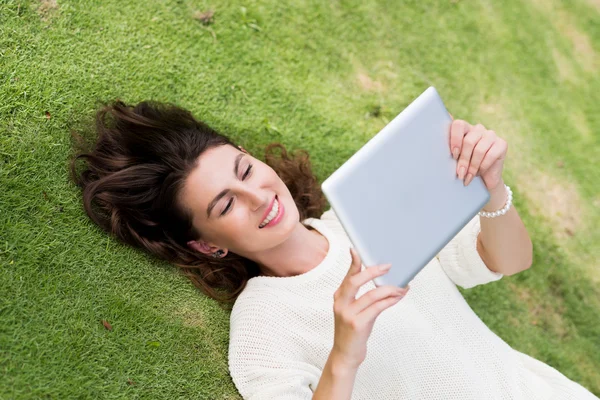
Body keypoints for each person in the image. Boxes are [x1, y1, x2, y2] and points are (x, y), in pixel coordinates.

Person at [70, 100, 599, 400]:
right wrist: (346, 347)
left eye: (246, 169)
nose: (259, 197)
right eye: (226, 204)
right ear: (207, 244)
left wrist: (491, 189)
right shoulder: (263, 323)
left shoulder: (359, 220)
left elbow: (505, 260)